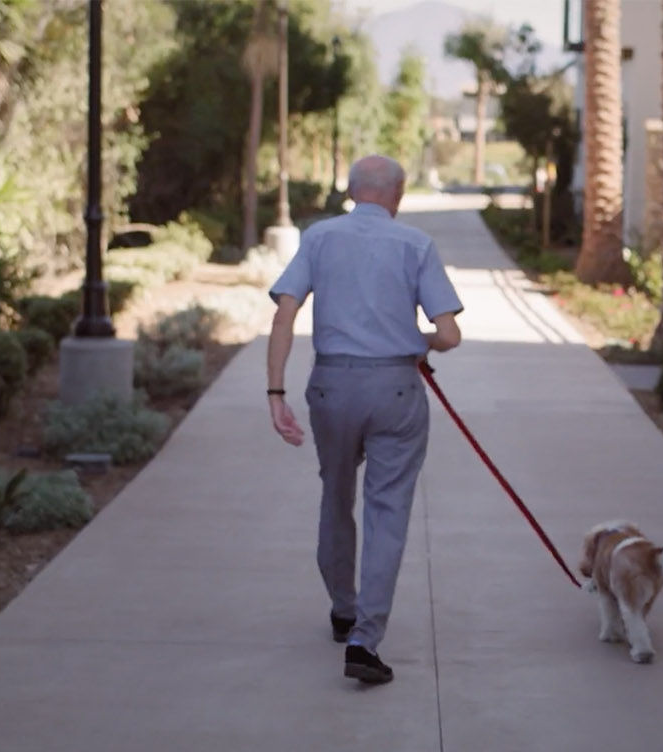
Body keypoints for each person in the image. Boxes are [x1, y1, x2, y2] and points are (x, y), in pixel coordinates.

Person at [266, 155, 463, 685]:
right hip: (395, 387)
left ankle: (342, 608)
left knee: (336, 495)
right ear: (397, 194)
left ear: (351, 192)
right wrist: (409, 342)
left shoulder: (319, 237)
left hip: (331, 385)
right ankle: (364, 639)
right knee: (387, 511)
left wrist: (276, 392)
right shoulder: (416, 244)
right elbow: (447, 335)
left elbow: (284, 312)